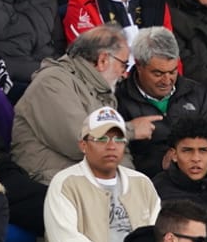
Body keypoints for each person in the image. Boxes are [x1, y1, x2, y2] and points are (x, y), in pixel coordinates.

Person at [39, 106, 161, 242]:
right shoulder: (66, 183)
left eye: (119, 139)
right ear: (83, 145)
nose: (112, 146)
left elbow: (158, 239)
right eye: (102, 139)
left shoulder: (142, 183)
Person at [12, 26, 126, 184]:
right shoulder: (51, 82)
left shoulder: (102, 92)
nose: (125, 74)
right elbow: (80, 142)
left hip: (84, 180)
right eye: (124, 65)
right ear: (102, 60)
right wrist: (131, 130)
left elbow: (118, 154)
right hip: (51, 183)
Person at [114, 27, 207, 178]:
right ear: (139, 66)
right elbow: (116, 154)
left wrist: (205, 171)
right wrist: (161, 164)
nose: (167, 80)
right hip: (152, 183)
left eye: (173, 72)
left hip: (203, 181)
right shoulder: (119, 99)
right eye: (158, 73)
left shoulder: (195, 93)